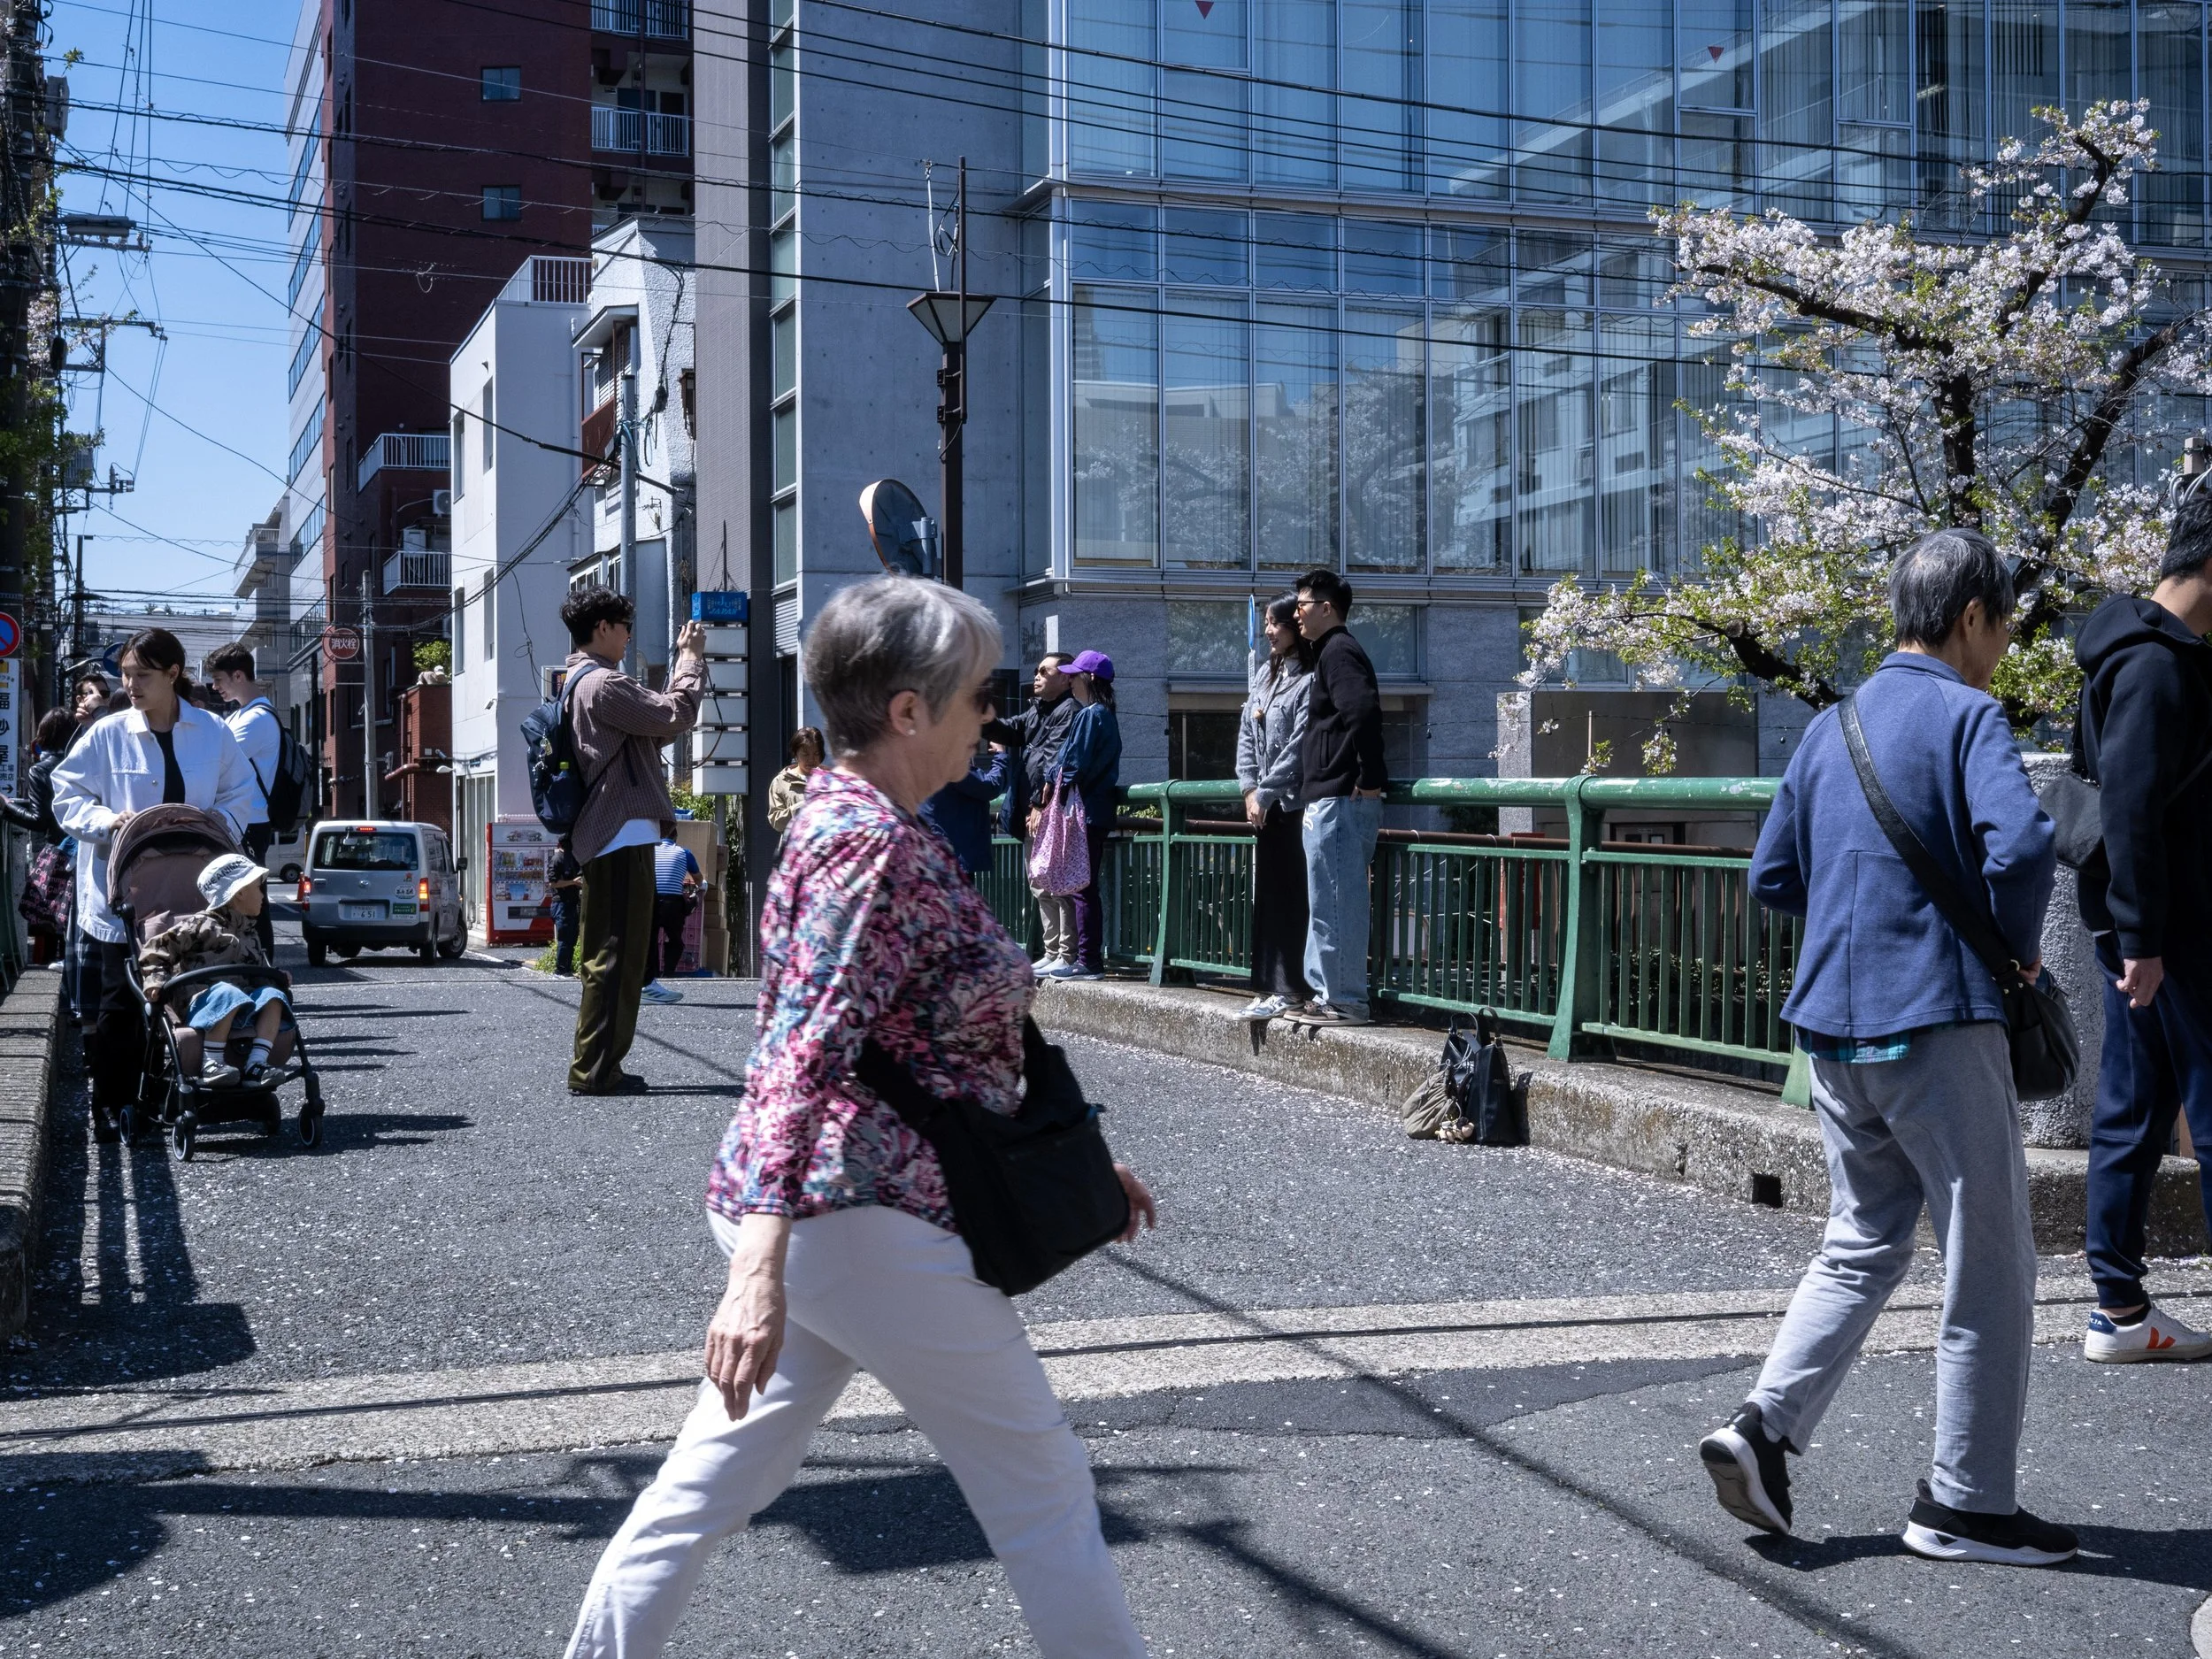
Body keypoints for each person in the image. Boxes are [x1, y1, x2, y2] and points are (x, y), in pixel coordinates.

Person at [563, 575, 1156, 1659]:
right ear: (908, 710)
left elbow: (922, 1041)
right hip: (862, 1217)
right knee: (1045, 1491)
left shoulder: (861, 823)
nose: (996, 713)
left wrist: (1076, 1170)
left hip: (827, 1214)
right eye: (980, 693)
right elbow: (802, 1048)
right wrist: (758, 1271)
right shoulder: (868, 842)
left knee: (703, 1492)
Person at [1702, 530, 2075, 1567]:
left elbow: (1770, 878)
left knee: (1861, 1241)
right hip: (1939, 1021)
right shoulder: (1967, 715)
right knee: (1988, 1262)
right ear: (1969, 620)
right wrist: (2012, 956)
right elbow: (2027, 845)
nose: (1999, 649)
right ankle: (1964, 1503)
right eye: (2000, 628)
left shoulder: (1832, 728)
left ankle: (1764, 1431)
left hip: (1831, 1027)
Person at [2070, 491, 2212, 1362]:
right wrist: (2145, 941)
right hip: (2173, 935)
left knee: (2132, 1110)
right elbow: (2127, 807)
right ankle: (2115, 1309)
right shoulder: (2159, 667)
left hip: (2139, 933)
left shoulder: (2124, 653)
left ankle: (2117, 1310)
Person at [52, 628, 258, 1138]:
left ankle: (196, 1089)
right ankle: (114, 1103)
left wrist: (218, 828)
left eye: (141, 674)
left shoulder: (213, 731)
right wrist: (106, 822)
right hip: (124, 890)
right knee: (118, 1000)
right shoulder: (106, 732)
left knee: (198, 985)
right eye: (125, 674)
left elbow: (241, 793)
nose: (131, 684)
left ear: (173, 674)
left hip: (198, 887)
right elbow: (66, 793)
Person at [558, 586, 706, 1097]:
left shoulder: (580, 682)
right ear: (602, 627)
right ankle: (595, 1070)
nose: (627, 637)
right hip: (620, 830)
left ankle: (601, 1066)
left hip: (612, 831)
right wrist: (689, 663)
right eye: (623, 627)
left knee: (612, 950)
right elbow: (675, 715)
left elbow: (656, 725)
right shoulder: (602, 683)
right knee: (614, 953)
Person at [1294, 568, 1387, 1025]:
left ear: (1326, 608)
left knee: (1336, 900)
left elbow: (1363, 712)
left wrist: (1370, 776)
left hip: (1341, 797)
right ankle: (1328, 993)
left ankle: (1347, 999)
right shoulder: (1328, 653)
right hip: (1330, 797)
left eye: (1302, 605)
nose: (1296, 614)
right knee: (1325, 900)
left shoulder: (1339, 651)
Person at [138, 854, 292, 1088]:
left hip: (243, 1003)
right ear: (239, 892)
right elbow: (156, 950)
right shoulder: (200, 925)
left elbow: (257, 969)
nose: (263, 896)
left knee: (274, 997)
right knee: (225, 992)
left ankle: (256, 1063)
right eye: (258, 888)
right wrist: (156, 981)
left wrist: (275, 976)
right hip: (203, 1001)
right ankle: (212, 1063)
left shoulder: (249, 932)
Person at [1236, 595, 1316, 1020]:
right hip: (1264, 806)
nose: (1268, 631)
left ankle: (1292, 989)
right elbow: (1247, 736)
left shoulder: (1309, 680)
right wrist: (1249, 788)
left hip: (1294, 803)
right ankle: (1267, 985)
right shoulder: (1264, 677)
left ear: (1293, 627)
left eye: (1275, 623)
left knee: (1292, 897)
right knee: (1265, 896)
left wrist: (1265, 791)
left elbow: (1300, 744)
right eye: (1266, 623)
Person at [995, 653, 1079, 974]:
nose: (1037, 675)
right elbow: (1011, 730)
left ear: (1066, 678)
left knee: (1057, 882)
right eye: (1036, 670)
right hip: (1031, 809)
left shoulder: (1068, 711)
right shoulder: (1037, 711)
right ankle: (1051, 949)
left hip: (1049, 811)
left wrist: (1038, 804)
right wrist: (983, 718)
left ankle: (1066, 954)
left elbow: (1051, 762)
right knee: (1039, 882)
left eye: (1045, 671)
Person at [205, 642, 282, 958]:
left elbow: (215, 761)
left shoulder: (257, 720)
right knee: (241, 902)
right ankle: (256, 972)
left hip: (250, 822)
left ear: (238, 675)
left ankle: (267, 975)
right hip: (244, 820)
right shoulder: (242, 715)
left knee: (253, 903)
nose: (215, 686)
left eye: (219, 679)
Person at [1048, 650, 1120, 981]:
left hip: (1085, 812)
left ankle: (1089, 960)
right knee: (1084, 886)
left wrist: (1052, 777)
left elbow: (1072, 763)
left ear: (1089, 679)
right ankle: (1086, 958)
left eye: (1074, 675)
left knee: (1082, 887)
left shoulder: (1093, 715)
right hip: (1093, 810)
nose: (1069, 679)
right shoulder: (1102, 713)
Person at [920, 735, 1012, 876]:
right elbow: (989, 786)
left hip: (934, 852)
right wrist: (1000, 754)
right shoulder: (947, 762)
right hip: (951, 855)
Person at [645, 824, 702, 1002]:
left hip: (651, 899)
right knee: (675, 939)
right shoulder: (684, 853)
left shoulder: (651, 851)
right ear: (676, 838)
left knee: (651, 939)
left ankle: (652, 975)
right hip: (673, 904)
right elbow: (699, 879)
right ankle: (669, 972)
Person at [765, 727, 825, 835]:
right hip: (795, 848)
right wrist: (801, 807)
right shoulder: (782, 782)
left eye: (816, 754)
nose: (811, 759)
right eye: (805, 754)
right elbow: (777, 823)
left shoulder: (831, 780)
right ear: (795, 754)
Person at [547, 840, 583, 977]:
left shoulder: (572, 858)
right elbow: (553, 883)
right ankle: (561, 969)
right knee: (564, 937)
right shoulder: (557, 859)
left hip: (572, 902)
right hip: (561, 903)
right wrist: (572, 882)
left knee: (572, 937)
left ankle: (567, 967)